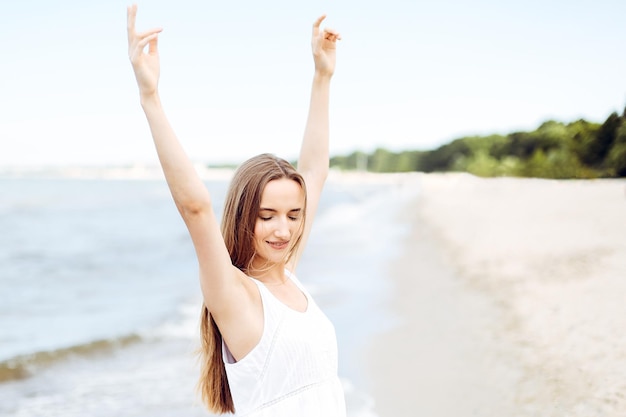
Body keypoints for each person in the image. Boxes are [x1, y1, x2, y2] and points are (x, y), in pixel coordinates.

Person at [126, 5, 345, 416]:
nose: (284, 229)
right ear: (245, 216)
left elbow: (314, 169)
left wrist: (323, 76)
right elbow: (195, 208)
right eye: (267, 216)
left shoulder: (290, 278)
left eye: (294, 215)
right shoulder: (236, 295)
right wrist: (150, 98)